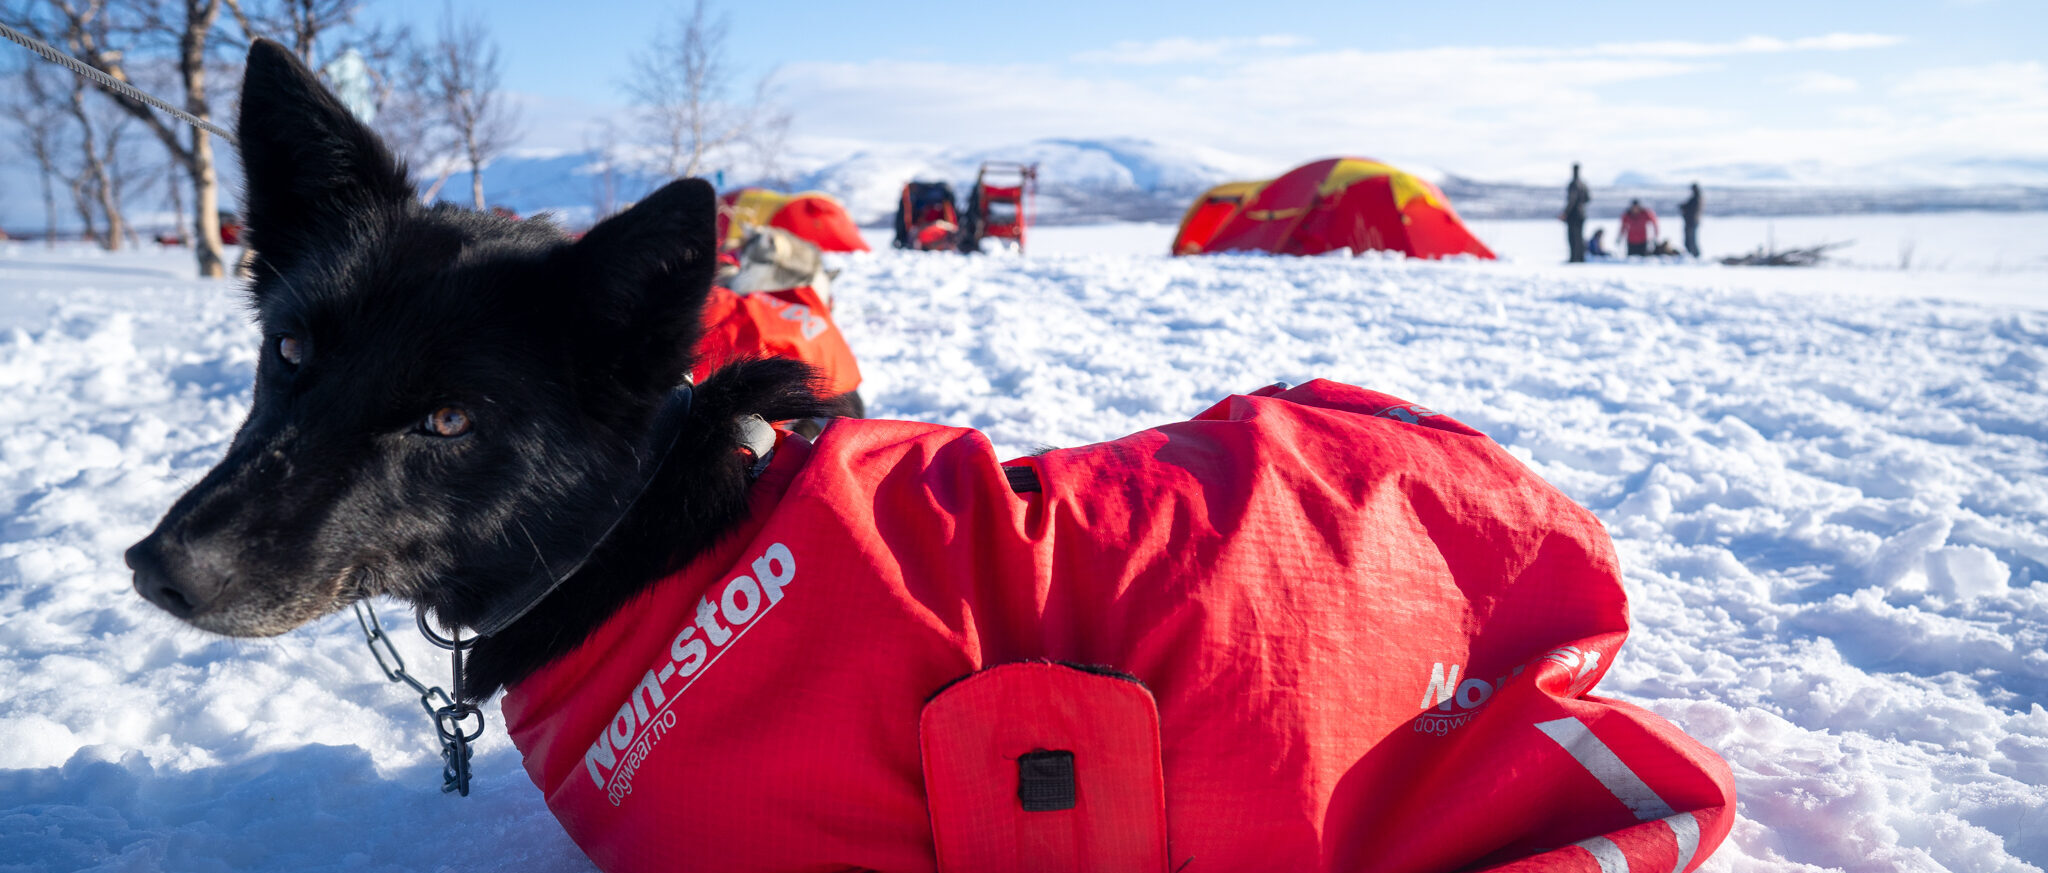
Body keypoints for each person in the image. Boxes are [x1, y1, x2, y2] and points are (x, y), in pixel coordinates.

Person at [1562, 163, 1591, 262]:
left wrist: (1565, 213)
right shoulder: (1583, 184)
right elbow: (1588, 199)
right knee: (1579, 237)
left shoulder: (1573, 184)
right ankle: (1580, 257)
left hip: (1573, 215)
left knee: (1573, 237)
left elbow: (1571, 200)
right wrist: (1581, 204)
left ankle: (1574, 258)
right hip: (1581, 214)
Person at [1679, 182, 1702, 258]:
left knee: (1691, 240)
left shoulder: (1696, 199)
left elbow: (1691, 209)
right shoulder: (1697, 198)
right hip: (1691, 222)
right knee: (1690, 240)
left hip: (1691, 222)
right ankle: (1693, 255)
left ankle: (1694, 256)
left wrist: (1684, 208)